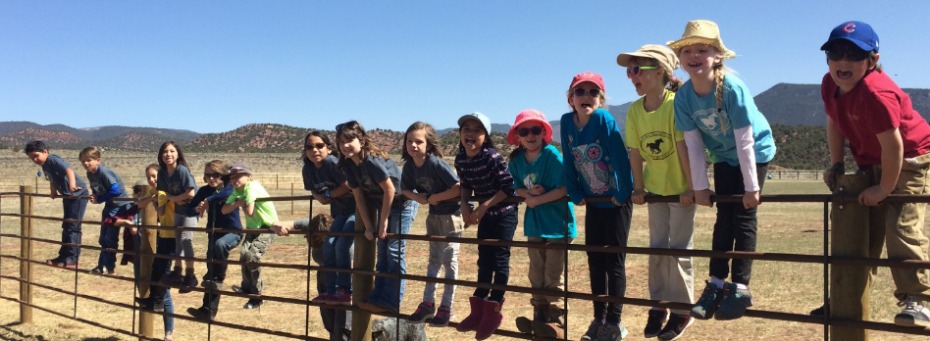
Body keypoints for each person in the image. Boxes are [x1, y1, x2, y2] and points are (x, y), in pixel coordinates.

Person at [818, 20, 930, 327]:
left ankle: (918, 300)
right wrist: (837, 164)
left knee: (901, 225)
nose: (844, 61)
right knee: (854, 223)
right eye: (836, 52)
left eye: (854, 55)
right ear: (827, 58)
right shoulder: (830, 85)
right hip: (871, 158)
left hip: (911, 157)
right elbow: (834, 122)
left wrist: (883, 190)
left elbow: (893, 148)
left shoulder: (877, 93)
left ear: (872, 61)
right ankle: (844, 297)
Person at [666, 19, 776, 321]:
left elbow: (745, 140)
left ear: (717, 55)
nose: (693, 55)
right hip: (724, 157)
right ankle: (715, 284)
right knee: (723, 218)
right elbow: (692, 144)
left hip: (754, 152)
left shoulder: (733, 89)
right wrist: (699, 186)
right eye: (687, 50)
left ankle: (740, 287)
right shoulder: (685, 97)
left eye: (702, 49)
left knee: (743, 216)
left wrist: (752, 187)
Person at [617, 44, 697, 340]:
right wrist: (639, 188)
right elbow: (635, 152)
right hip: (656, 191)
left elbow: (682, 147)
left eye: (637, 69)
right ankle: (658, 304)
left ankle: (682, 310)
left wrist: (690, 187)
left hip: (680, 190)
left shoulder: (676, 105)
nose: (631, 76)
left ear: (660, 71)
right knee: (656, 249)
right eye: (629, 70)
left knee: (679, 249)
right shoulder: (636, 110)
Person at [559, 72, 634, 341]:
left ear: (601, 99)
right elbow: (569, 159)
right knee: (594, 261)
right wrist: (574, 190)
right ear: (570, 99)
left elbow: (619, 155)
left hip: (615, 201)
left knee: (614, 262)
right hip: (593, 201)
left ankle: (615, 323)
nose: (586, 96)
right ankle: (598, 319)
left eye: (593, 92)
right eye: (580, 92)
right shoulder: (567, 123)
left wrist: (623, 191)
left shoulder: (603, 119)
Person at [335, 120, 419, 314]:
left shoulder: (371, 161)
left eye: (350, 140)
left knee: (394, 249)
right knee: (382, 251)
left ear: (362, 142)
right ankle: (378, 299)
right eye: (341, 142)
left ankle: (391, 302)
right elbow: (358, 196)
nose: (345, 145)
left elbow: (390, 190)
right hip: (386, 206)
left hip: (402, 203)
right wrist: (367, 226)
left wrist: (382, 222)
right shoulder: (349, 165)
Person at [506, 110, 576, 338]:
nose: (530, 135)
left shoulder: (552, 156)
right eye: (524, 131)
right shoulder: (516, 161)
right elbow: (516, 186)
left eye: (536, 130)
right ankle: (539, 315)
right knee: (536, 271)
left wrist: (536, 199)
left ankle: (557, 320)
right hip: (535, 223)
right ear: (517, 136)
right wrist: (527, 194)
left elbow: (565, 188)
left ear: (544, 133)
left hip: (557, 223)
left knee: (553, 273)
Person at [452, 112, 518, 341]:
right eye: (466, 129)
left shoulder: (492, 157)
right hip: (486, 214)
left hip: (503, 214)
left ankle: (494, 310)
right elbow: (466, 184)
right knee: (484, 259)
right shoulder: (461, 160)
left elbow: (508, 188)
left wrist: (483, 206)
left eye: (477, 130)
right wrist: (464, 205)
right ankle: (478, 310)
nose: (470, 134)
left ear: (485, 136)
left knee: (499, 259)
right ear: (460, 134)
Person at [401, 121, 464, 327]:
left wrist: (437, 197)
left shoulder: (435, 163)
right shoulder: (410, 167)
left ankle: (447, 307)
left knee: (450, 260)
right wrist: (419, 198)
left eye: (419, 141)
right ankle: (428, 303)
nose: (414, 145)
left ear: (428, 144)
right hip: (434, 217)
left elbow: (458, 188)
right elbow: (405, 189)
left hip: (451, 216)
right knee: (434, 259)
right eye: (410, 141)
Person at [301, 131, 357, 307]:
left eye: (319, 146)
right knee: (328, 245)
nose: (314, 150)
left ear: (329, 148)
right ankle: (332, 290)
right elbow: (312, 188)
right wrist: (319, 197)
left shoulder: (332, 163)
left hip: (356, 210)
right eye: (309, 147)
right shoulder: (308, 168)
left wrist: (327, 194)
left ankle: (346, 290)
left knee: (341, 246)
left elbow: (348, 186)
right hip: (339, 212)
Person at [187, 160, 243, 321]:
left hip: (233, 232)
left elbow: (225, 195)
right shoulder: (205, 190)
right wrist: (196, 209)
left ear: (223, 175)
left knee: (219, 249)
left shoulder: (229, 187)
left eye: (215, 175)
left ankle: (219, 277)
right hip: (213, 233)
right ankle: (208, 310)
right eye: (208, 175)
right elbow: (192, 206)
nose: (211, 179)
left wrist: (208, 201)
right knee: (210, 272)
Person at [223, 161, 279, 310]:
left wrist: (240, 203)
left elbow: (249, 212)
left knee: (252, 256)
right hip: (252, 228)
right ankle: (247, 287)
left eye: (238, 176)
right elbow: (224, 210)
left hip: (268, 227)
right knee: (243, 256)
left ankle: (257, 295)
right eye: (232, 178)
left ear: (249, 176)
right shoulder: (238, 190)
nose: (235, 180)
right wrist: (237, 203)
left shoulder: (251, 187)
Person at [24, 140, 89, 269]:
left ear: (45, 151)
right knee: (67, 226)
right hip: (68, 196)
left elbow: (69, 170)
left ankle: (72, 259)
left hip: (77, 195)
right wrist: (53, 191)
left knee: (73, 227)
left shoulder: (53, 160)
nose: (35, 160)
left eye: (36, 156)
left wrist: (72, 185)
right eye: (32, 158)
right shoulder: (45, 165)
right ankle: (63, 256)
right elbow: (52, 179)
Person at [79, 146, 132, 275]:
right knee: (103, 238)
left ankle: (107, 267)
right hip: (110, 206)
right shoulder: (90, 174)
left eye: (88, 160)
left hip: (120, 206)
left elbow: (115, 190)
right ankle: (104, 266)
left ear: (98, 160)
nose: (85, 163)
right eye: (83, 161)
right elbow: (97, 189)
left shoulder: (104, 172)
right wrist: (95, 195)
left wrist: (100, 199)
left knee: (109, 238)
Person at [155, 141, 199, 292]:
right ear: (161, 155)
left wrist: (173, 198)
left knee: (186, 241)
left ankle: (191, 276)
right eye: (165, 152)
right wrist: (172, 199)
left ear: (178, 154)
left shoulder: (181, 171)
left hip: (191, 210)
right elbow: (163, 193)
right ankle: (178, 273)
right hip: (179, 210)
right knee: (178, 243)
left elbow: (191, 194)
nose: (168, 154)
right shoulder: (162, 173)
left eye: (172, 151)